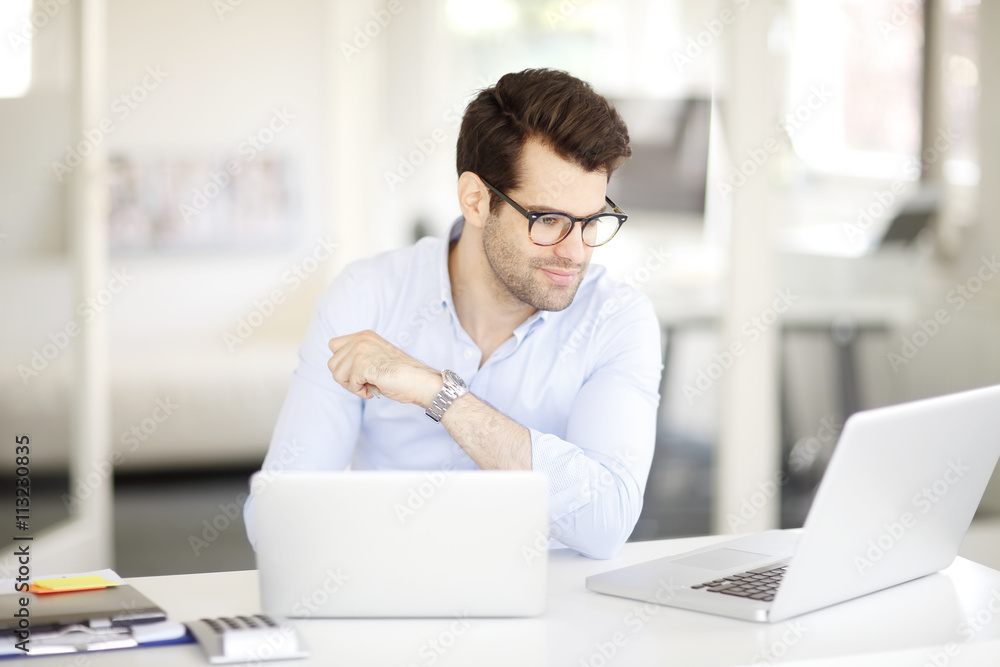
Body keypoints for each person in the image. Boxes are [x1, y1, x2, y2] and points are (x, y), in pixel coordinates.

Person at [244, 68, 662, 559]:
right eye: (549, 220)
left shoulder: (617, 318)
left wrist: (439, 394)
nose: (575, 253)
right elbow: (275, 519)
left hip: (555, 610)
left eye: (592, 222)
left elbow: (607, 522)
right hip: (390, 597)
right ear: (476, 200)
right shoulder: (367, 296)